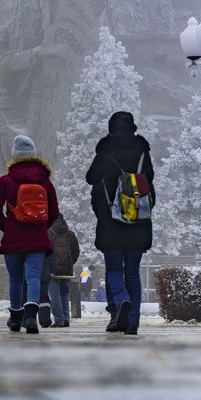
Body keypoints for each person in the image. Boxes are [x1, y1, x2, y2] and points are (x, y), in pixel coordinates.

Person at [86, 111, 154, 335]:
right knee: (133, 272)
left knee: (114, 268)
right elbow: (149, 181)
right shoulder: (142, 150)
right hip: (137, 221)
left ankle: (121, 300)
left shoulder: (105, 150)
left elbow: (91, 177)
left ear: (111, 127)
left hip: (110, 221)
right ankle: (133, 323)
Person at [0, 135, 59, 334]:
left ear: (15, 156)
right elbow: (54, 211)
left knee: (16, 280)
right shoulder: (45, 182)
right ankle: (30, 317)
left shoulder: (6, 180)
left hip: (13, 239)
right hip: (37, 239)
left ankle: (15, 318)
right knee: (34, 278)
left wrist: (7, 226)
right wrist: (41, 227)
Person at [46, 215, 80, 328]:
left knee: (55, 295)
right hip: (67, 271)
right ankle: (66, 319)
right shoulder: (70, 234)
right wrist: (70, 263)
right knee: (65, 294)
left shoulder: (49, 233)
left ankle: (59, 320)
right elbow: (76, 252)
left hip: (53, 270)